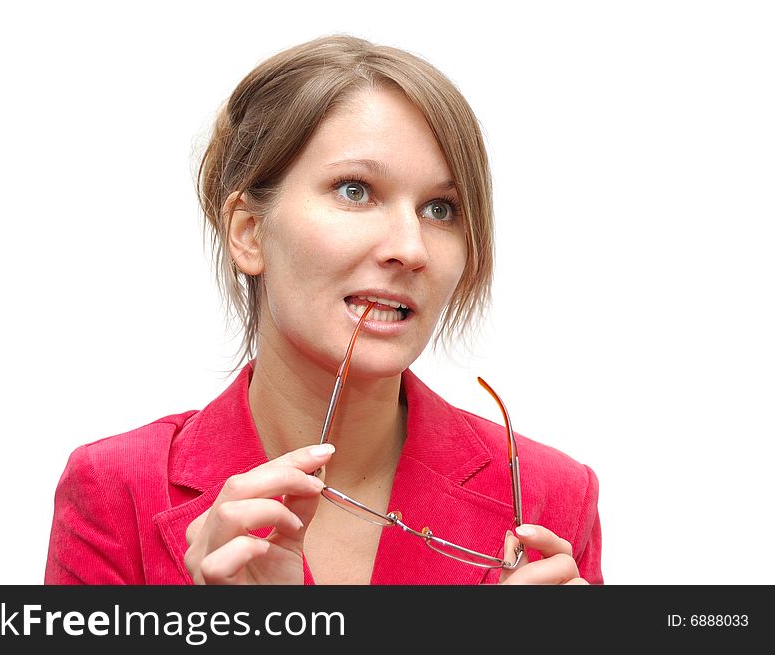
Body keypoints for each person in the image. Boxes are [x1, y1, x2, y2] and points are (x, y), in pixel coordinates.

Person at [44, 34, 602, 585]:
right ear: (249, 233)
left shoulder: (553, 497)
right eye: (355, 191)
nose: (410, 248)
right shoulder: (117, 491)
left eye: (441, 208)